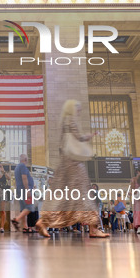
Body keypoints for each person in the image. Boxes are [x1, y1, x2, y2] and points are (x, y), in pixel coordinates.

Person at [35, 100, 109, 238]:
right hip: (74, 162)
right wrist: (91, 135)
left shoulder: (64, 122)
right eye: (78, 109)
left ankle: (43, 222)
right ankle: (94, 229)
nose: (79, 111)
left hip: (65, 162)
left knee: (65, 197)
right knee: (85, 193)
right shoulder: (71, 120)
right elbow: (79, 137)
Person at [11, 154, 35, 234]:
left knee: (23, 208)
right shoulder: (23, 167)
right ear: (25, 159)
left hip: (19, 190)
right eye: (27, 159)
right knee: (30, 207)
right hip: (25, 190)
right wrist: (28, 190)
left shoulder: (17, 167)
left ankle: (25, 227)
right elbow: (24, 178)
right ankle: (16, 219)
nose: (27, 161)